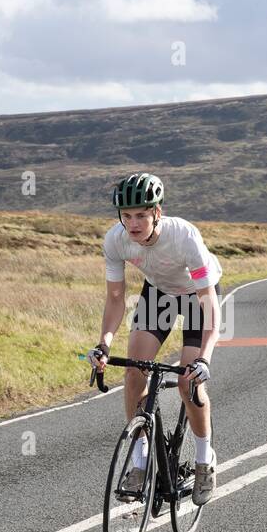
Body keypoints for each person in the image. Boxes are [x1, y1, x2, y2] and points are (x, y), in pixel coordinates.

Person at [87, 172, 223, 506]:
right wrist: (104, 343)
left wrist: (204, 357)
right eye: (127, 215)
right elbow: (116, 298)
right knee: (134, 370)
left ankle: (205, 461)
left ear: (157, 213)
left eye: (142, 215)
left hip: (196, 297)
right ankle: (140, 459)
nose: (133, 224)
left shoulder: (184, 237)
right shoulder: (115, 240)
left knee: (188, 383)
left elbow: (209, 305)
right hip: (159, 295)